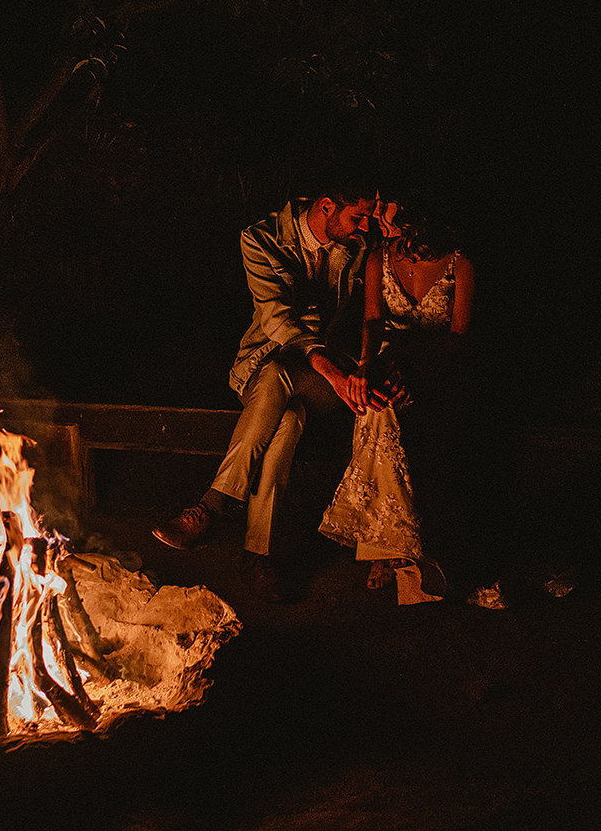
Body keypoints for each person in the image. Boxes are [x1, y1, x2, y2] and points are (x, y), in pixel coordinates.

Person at [151, 178, 378, 602]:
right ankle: (257, 555)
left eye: (369, 216)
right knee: (287, 419)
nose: (364, 226)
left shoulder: (362, 247)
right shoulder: (262, 238)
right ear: (326, 206)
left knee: (281, 379)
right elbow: (276, 318)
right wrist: (324, 365)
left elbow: (371, 314)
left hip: (329, 379)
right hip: (265, 368)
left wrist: (342, 370)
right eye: (357, 216)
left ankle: (215, 502)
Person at [318, 195, 478, 604]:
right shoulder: (378, 258)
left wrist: (417, 370)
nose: (376, 216)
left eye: (385, 207)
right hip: (393, 357)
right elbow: (372, 319)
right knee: (377, 403)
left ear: (414, 214)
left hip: (442, 364)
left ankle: (388, 548)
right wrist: (366, 367)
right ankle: (401, 545)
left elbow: (458, 336)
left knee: (395, 411)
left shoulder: (460, 263)